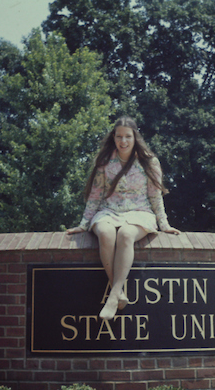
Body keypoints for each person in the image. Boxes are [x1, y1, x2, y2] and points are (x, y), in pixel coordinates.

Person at [67, 116, 180, 320]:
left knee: (126, 235)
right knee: (105, 233)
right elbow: (95, 195)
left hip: (140, 212)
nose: (123, 141)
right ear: (114, 137)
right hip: (109, 210)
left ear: (135, 137)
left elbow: (155, 196)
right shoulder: (104, 162)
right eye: (119, 136)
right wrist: (83, 224)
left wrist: (164, 223)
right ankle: (117, 291)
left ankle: (112, 298)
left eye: (128, 136)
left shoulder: (149, 161)